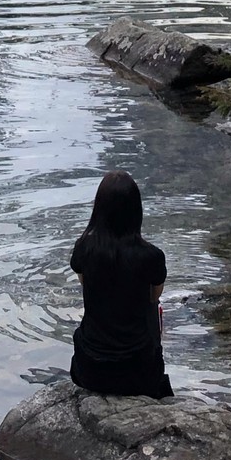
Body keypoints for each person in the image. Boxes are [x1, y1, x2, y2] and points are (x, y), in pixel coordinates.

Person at [68, 169, 171, 399]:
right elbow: (154, 297)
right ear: (136, 210)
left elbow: (85, 283)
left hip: (89, 371)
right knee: (152, 305)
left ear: (99, 209)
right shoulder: (152, 256)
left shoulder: (84, 248)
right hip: (139, 375)